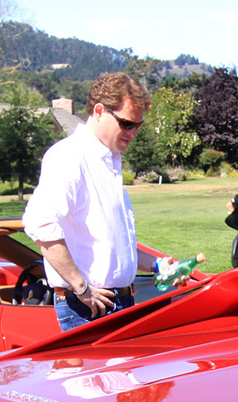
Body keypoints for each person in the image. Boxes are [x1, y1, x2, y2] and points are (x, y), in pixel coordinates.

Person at [23, 71, 157, 331]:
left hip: (117, 302)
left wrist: (156, 264)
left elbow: (111, 246)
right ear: (98, 111)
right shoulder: (69, 156)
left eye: (138, 126)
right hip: (86, 308)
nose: (133, 132)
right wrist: (81, 287)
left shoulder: (109, 162)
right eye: (127, 124)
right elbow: (39, 225)